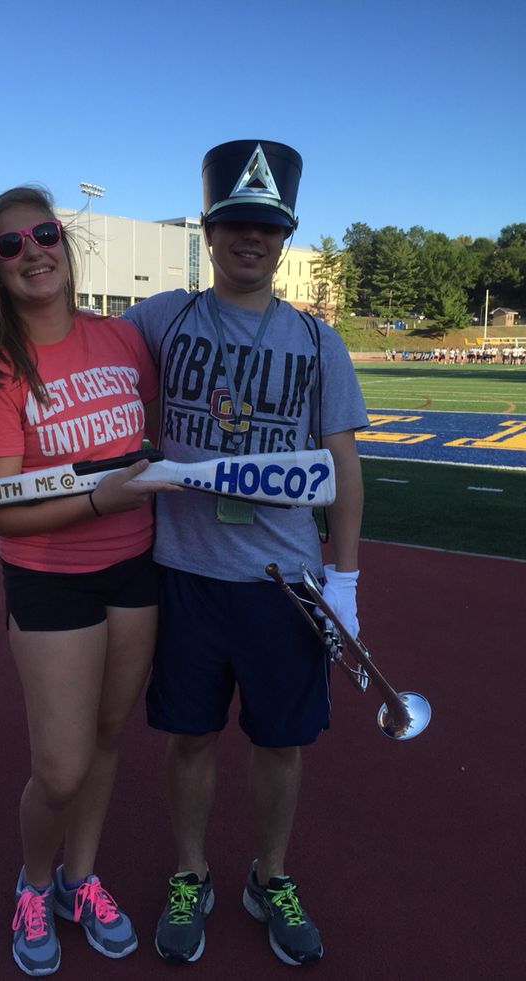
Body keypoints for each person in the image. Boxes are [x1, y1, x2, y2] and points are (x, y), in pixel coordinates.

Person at [123, 140, 369, 966]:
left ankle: (270, 874)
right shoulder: (162, 319)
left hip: (285, 580)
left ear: (285, 236)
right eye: (235, 223)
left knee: (280, 740)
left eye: (266, 226)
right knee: (188, 736)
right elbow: (80, 357)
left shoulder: (316, 341)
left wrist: (346, 579)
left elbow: (343, 466)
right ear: (209, 229)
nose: (250, 238)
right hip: (187, 574)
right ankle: (192, 872)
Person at [0, 185, 175, 976]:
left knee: (110, 738)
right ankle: (35, 882)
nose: (32, 251)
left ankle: (82, 877)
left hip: (136, 568)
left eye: (43, 233)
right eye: (9, 245)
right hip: (51, 583)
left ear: (65, 244)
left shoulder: (122, 339)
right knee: (62, 767)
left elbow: (151, 434)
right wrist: (94, 499)